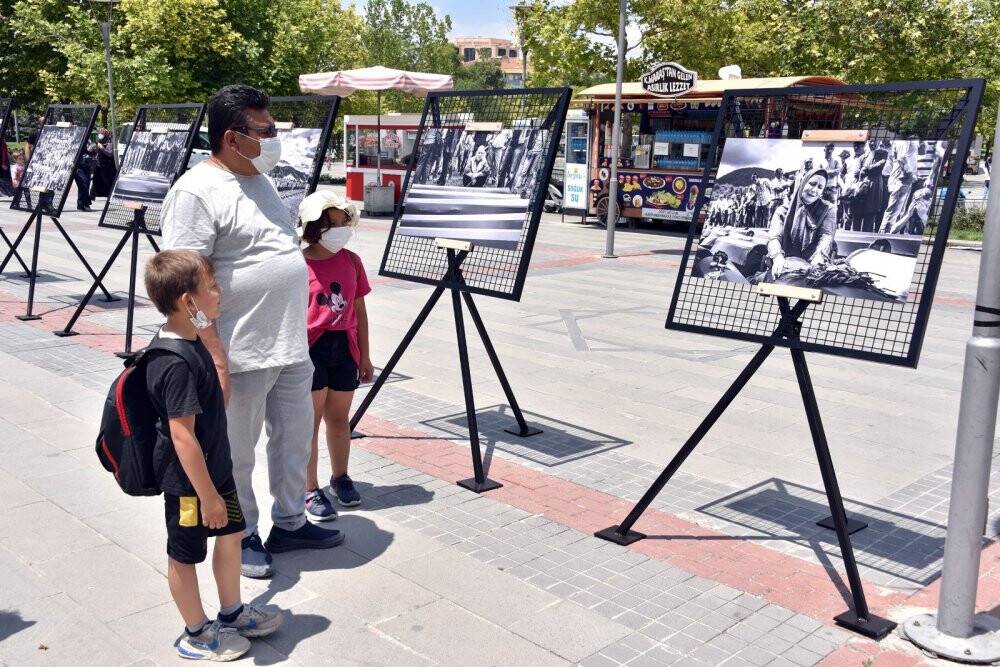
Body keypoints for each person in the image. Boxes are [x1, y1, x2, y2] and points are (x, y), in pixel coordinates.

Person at [161, 84, 344, 580]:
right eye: (265, 132)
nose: (275, 139)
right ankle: (240, 537)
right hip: (237, 354)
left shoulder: (258, 178)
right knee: (235, 453)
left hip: (289, 345)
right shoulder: (195, 192)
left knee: (292, 442)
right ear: (231, 137)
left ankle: (289, 522)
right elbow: (184, 285)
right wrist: (214, 356)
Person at [143, 250, 283, 660]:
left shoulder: (192, 340)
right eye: (212, 287)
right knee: (184, 554)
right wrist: (206, 496)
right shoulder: (174, 362)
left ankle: (232, 611)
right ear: (189, 302)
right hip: (190, 487)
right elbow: (182, 437)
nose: (220, 293)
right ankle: (197, 632)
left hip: (215, 474)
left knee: (231, 536)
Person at [296, 191, 374, 520]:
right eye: (334, 224)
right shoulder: (298, 263)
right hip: (310, 350)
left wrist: (366, 356)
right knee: (309, 424)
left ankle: (340, 477)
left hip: (344, 348)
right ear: (315, 226)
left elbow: (359, 309)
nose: (342, 229)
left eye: (344, 222)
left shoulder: (352, 261)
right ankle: (308, 488)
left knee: (339, 420)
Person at [766, 168, 837, 278]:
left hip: (813, 264)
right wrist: (777, 257)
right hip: (785, 263)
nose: (814, 190)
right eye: (812, 184)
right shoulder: (782, 210)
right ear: (803, 183)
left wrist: (819, 258)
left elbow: (826, 236)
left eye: (820, 187)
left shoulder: (828, 209)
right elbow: (774, 237)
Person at [881, 141, 917, 232]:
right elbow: (902, 159)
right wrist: (910, 174)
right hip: (902, 180)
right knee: (894, 211)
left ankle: (887, 234)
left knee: (897, 211)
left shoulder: (899, 143)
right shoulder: (906, 143)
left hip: (900, 179)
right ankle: (884, 235)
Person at [90, 127, 118, 199]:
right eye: (100, 133)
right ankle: (92, 196)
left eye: (102, 133)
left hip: (107, 165)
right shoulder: (98, 140)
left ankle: (109, 195)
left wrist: (102, 148)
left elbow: (110, 153)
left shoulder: (109, 141)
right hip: (99, 164)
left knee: (107, 180)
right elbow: (94, 151)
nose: (100, 134)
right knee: (96, 179)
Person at [75, 144, 96, 211]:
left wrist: (92, 149)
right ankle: (82, 204)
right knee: (83, 184)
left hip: (86, 166)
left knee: (86, 185)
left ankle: (84, 204)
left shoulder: (90, 140)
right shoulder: (80, 139)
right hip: (79, 166)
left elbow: (93, 153)